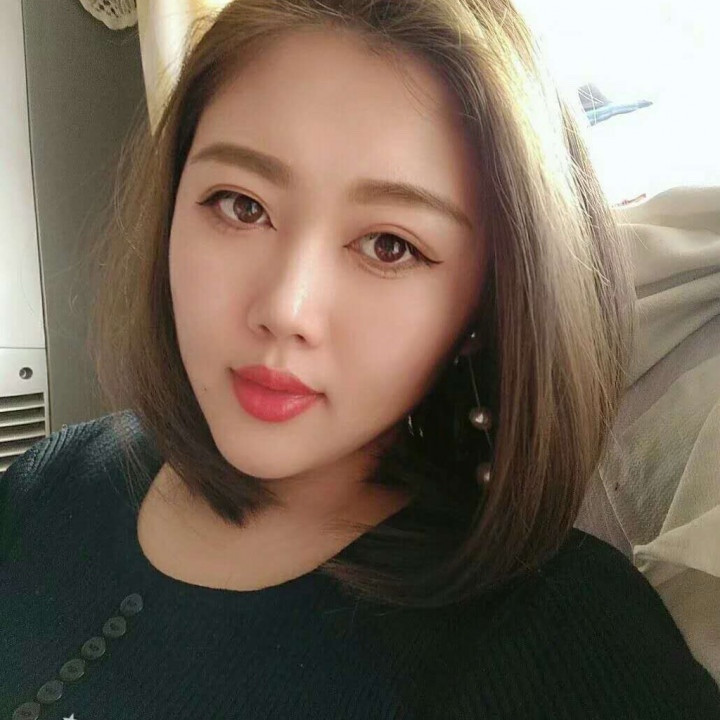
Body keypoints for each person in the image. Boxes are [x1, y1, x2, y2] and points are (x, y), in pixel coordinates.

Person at [1, 0, 719, 718]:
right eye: (241, 205)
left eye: (389, 246)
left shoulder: (566, 645)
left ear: (487, 303)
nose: (286, 308)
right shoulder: (52, 479)